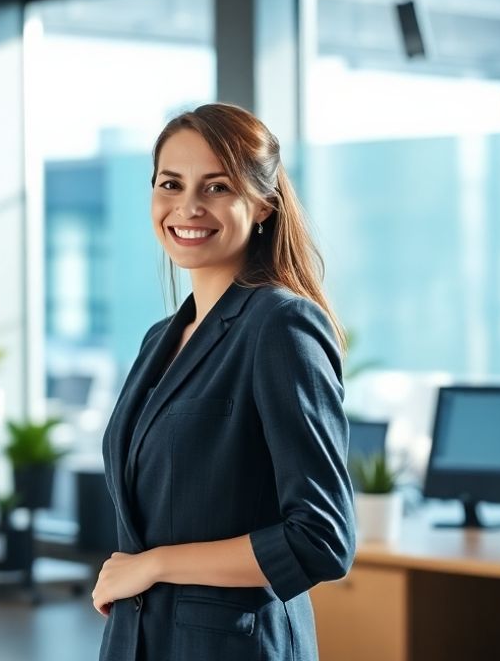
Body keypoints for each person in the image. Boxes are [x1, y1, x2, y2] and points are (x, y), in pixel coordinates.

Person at [92, 103, 355, 661]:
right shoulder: (161, 338)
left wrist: (155, 564)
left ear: (262, 205)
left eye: (216, 187)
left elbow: (321, 539)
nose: (188, 206)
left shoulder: (281, 325)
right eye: (171, 183)